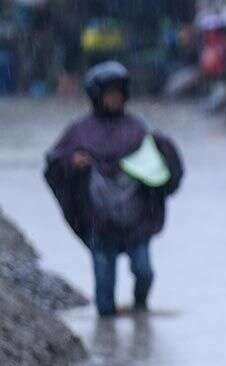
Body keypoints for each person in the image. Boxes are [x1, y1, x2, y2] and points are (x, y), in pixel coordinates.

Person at [44, 61, 184, 317]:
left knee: (144, 271)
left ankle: (140, 309)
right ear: (96, 96)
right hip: (100, 222)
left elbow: (166, 166)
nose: (115, 98)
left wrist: (162, 153)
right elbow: (54, 163)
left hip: (136, 220)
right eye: (110, 93)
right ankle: (106, 340)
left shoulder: (139, 128)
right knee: (104, 295)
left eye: (119, 93)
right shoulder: (79, 131)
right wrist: (73, 163)